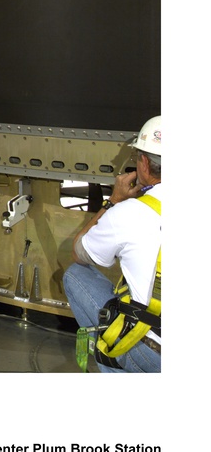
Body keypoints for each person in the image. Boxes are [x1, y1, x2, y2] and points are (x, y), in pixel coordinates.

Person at [63, 116, 162, 372]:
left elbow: (79, 252)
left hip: (158, 354)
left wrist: (114, 201)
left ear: (143, 162)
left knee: (75, 275)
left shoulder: (130, 212)